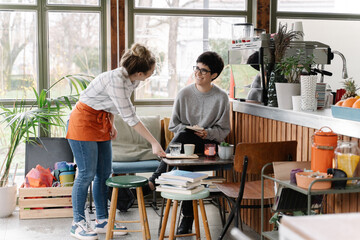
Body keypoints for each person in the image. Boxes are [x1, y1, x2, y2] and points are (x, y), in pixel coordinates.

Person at [66, 43, 166, 240]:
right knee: (86, 173)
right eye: (151, 71)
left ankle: (103, 220)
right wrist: (154, 143)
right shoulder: (116, 80)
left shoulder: (132, 81)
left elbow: (112, 105)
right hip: (83, 121)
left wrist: (111, 124)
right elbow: (130, 117)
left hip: (101, 120)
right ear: (139, 72)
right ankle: (77, 222)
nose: (152, 73)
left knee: (104, 173)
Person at [148, 51, 231, 234]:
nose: (198, 73)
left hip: (209, 145)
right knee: (186, 151)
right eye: (197, 68)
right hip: (185, 146)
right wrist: (190, 130)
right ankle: (187, 220)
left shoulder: (221, 97)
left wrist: (206, 132)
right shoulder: (184, 93)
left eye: (203, 71)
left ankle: (154, 179)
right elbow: (174, 126)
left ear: (214, 75)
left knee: (186, 143)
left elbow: (224, 131)